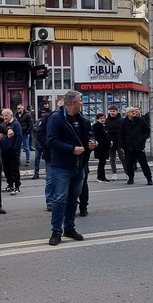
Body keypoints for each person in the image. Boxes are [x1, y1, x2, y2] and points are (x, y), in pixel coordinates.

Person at [45, 90, 97, 245]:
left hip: (79, 166)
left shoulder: (82, 119)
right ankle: (56, 232)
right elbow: (51, 141)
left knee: (73, 199)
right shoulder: (57, 118)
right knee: (59, 199)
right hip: (62, 166)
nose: (82, 103)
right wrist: (71, 149)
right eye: (80, 100)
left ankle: (69, 228)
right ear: (73, 102)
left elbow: (89, 135)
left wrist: (92, 142)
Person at [119, 107, 152, 186]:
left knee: (143, 163)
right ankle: (131, 178)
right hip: (128, 146)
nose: (134, 112)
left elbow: (147, 130)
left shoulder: (141, 120)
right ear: (127, 113)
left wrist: (143, 138)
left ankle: (149, 178)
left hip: (139, 145)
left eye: (134, 111)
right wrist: (121, 145)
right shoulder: (123, 122)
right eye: (132, 111)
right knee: (129, 164)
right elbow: (121, 134)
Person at [0, 108, 23, 195]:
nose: (4, 117)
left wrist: (15, 149)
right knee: (6, 169)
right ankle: (10, 184)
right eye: (3, 115)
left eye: (6, 115)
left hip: (12, 152)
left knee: (14, 169)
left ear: (11, 115)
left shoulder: (16, 124)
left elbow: (19, 137)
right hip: (4, 152)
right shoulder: (3, 124)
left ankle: (17, 187)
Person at [104, 106, 126, 180]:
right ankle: (114, 173)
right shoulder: (106, 121)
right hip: (111, 143)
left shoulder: (122, 120)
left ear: (117, 111)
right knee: (112, 158)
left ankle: (127, 173)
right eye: (110, 111)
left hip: (120, 143)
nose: (112, 113)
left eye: (113, 111)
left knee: (122, 158)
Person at [91, 112, 112, 183]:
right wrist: (108, 140)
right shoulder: (96, 126)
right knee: (101, 162)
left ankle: (103, 177)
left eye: (103, 118)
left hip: (105, 146)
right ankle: (100, 177)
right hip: (100, 146)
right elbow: (101, 136)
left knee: (103, 162)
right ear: (97, 119)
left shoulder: (104, 126)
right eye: (101, 118)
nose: (103, 119)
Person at [31, 106, 50, 180]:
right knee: (37, 159)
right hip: (39, 143)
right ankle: (36, 173)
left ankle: (48, 174)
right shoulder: (39, 121)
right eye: (42, 113)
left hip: (45, 143)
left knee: (47, 159)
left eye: (44, 113)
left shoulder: (49, 121)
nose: (43, 114)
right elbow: (35, 128)